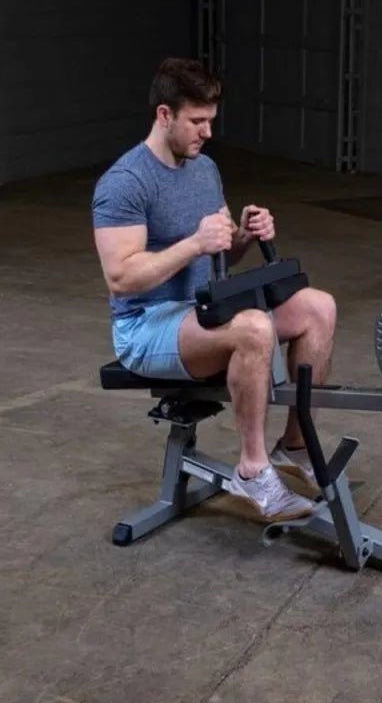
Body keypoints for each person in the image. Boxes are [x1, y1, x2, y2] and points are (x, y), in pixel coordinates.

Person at [91, 57, 337, 523]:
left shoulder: (204, 169)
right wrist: (193, 244)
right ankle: (251, 467)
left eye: (210, 121)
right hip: (146, 327)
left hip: (204, 310)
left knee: (317, 307)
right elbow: (121, 277)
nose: (206, 132)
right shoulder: (124, 183)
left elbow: (221, 256)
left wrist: (244, 235)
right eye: (196, 121)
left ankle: (295, 445)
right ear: (165, 115)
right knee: (251, 328)